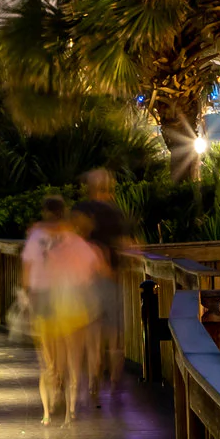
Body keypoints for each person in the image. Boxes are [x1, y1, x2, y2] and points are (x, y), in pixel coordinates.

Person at [21, 195, 100, 424]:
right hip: (68, 299)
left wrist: (27, 293)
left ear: (45, 211)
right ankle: (70, 407)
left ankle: (51, 398)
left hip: (42, 298)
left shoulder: (36, 235)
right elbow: (88, 268)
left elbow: (27, 267)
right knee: (71, 356)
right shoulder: (70, 236)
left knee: (48, 358)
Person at [76, 169, 139, 401]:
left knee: (92, 334)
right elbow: (125, 244)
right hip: (111, 279)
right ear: (109, 187)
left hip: (85, 281)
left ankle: (93, 379)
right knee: (115, 335)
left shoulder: (80, 211)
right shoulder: (115, 212)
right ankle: (114, 382)